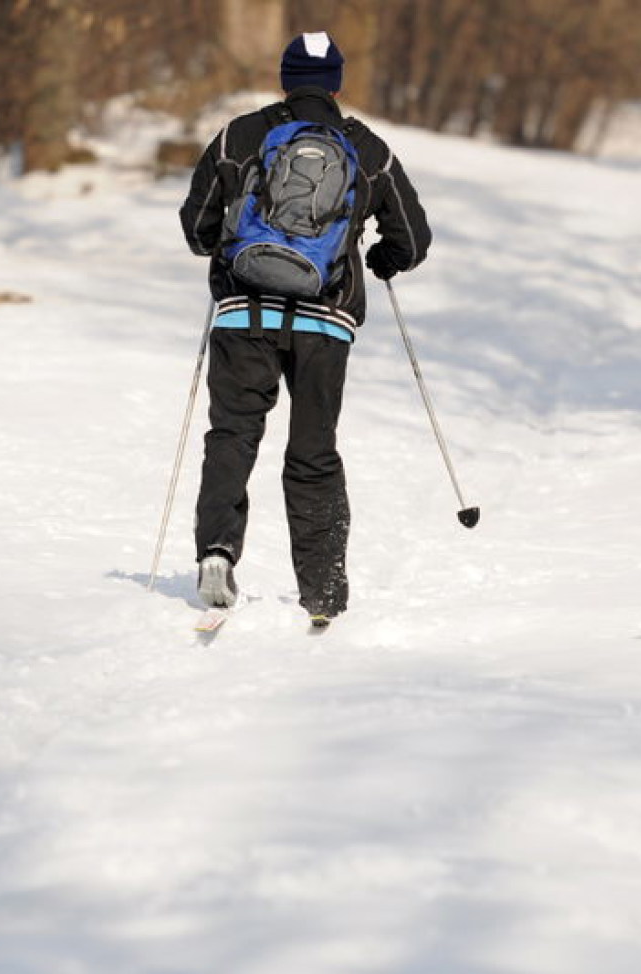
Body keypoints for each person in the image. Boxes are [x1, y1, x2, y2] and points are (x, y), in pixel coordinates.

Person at [179, 30, 431, 622]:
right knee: (314, 451)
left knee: (234, 435)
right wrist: (380, 259)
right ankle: (323, 588)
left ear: (285, 79)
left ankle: (217, 552)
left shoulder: (240, 135)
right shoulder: (367, 148)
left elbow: (196, 228)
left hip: (244, 312)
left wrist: (230, 243)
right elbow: (412, 239)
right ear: (337, 84)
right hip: (326, 321)